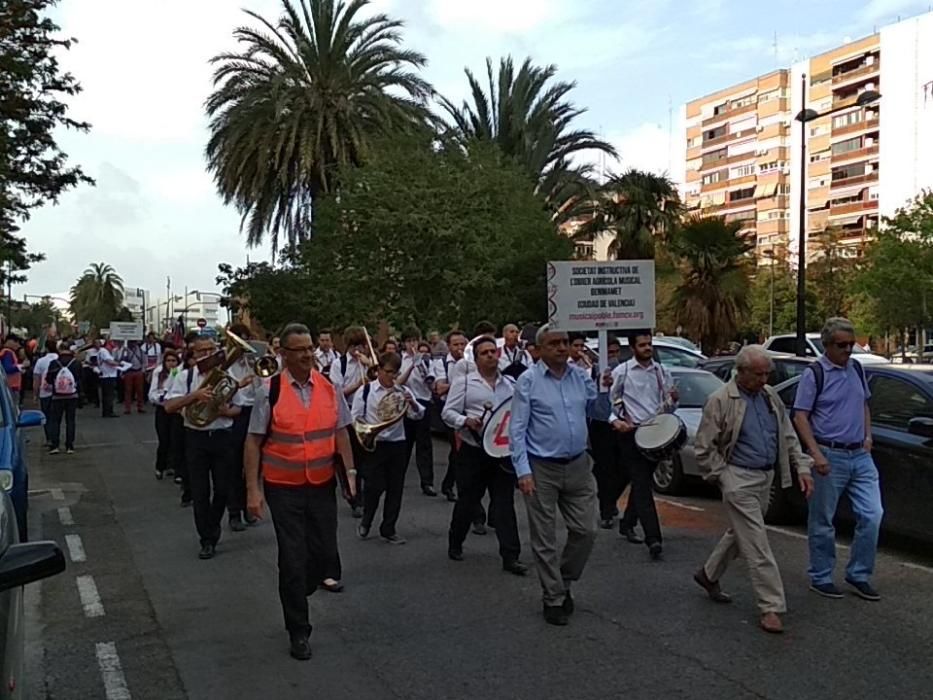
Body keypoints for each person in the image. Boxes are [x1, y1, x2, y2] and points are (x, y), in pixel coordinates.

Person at [244, 323, 357, 661]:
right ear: (284, 354)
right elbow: (253, 441)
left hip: (322, 485)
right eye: (300, 349)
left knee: (324, 557)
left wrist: (350, 473)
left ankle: (303, 584)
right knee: (292, 560)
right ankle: (299, 630)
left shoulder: (328, 387)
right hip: (284, 488)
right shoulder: (270, 390)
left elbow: (341, 433)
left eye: (310, 348)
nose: (308, 354)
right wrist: (253, 489)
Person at [693, 345, 814, 634]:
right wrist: (723, 477)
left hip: (765, 478)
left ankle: (709, 574)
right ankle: (771, 606)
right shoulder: (721, 400)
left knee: (742, 532)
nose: (764, 380)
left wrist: (802, 467)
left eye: (767, 374)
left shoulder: (770, 397)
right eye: (758, 374)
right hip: (738, 478)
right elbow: (703, 447)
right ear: (741, 371)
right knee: (757, 543)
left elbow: (787, 435)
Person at [509, 325, 598, 626]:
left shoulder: (579, 376)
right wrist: (523, 470)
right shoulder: (529, 381)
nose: (562, 348)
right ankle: (554, 599)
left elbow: (597, 408)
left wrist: (602, 381)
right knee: (544, 538)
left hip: (578, 465)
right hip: (541, 467)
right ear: (540, 349)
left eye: (565, 342)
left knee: (587, 530)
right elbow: (517, 430)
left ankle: (564, 580)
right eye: (555, 343)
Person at [793, 317, 883, 602]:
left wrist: (867, 437)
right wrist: (815, 453)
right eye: (841, 345)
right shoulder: (815, 374)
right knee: (823, 520)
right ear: (827, 345)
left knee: (872, 515)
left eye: (851, 344)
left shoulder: (856, 368)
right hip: (829, 454)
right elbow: (800, 415)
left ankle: (859, 574)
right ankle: (821, 576)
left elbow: (863, 404)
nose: (847, 350)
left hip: (860, 454)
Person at [443, 337, 527, 575]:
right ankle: (455, 540)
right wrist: (465, 420)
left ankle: (511, 556)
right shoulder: (465, 383)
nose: (491, 356)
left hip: (500, 453)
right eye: (485, 353)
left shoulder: (509, 384)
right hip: (473, 451)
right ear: (476, 358)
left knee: (504, 504)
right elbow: (447, 412)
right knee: (468, 501)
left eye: (493, 351)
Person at [164, 336, 241, 560]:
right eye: (202, 351)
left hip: (222, 436)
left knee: (223, 489)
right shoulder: (184, 375)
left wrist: (225, 411)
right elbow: (169, 406)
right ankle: (206, 539)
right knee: (199, 491)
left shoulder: (229, 376)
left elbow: (240, 408)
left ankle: (212, 526)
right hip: (195, 437)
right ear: (194, 354)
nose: (207, 354)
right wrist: (194, 396)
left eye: (211, 349)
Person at [609, 333, 678, 561]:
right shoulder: (622, 372)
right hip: (630, 434)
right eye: (642, 345)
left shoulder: (661, 371)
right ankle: (653, 538)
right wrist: (617, 422)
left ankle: (627, 522)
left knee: (642, 482)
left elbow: (669, 403)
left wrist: (673, 401)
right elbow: (610, 403)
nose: (647, 348)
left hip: (655, 433)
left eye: (649, 344)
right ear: (633, 347)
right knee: (641, 483)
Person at [351, 352, 423, 544]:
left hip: (397, 443)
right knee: (374, 487)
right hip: (376, 445)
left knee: (395, 488)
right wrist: (367, 431)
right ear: (379, 370)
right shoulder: (366, 391)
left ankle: (388, 528)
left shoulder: (402, 391)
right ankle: (367, 520)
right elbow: (355, 417)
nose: (392, 376)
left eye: (395, 372)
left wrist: (412, 404)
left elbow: (418, 416)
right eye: (389, 372)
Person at [585, 336, 637, 533]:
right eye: (609, 353)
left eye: (616, 352)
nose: (613, 356)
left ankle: (609, 500)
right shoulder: (592, 372)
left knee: (624, 468)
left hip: (621, 422)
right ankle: (606, 511)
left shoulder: (623, 372)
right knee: (605, 469)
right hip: (600, 424)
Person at [330, 325, 374, 517]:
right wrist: (357, 384)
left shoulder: (368, 362)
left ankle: (363, 495)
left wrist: (369, 363)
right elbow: (336, 393)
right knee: (349, 459)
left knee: (366, 459)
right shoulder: (339, 364)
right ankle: (353, 497)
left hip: (367, 415)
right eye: (354, 346)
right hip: (346, 416)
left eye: (361, 346)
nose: (358, 350)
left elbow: (383, 380)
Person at [226, 323, 258, 532]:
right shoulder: (226, 364)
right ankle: (234, 512)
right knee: (234, 465)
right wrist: (240, 384)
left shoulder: (252, 362)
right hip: (235, 414)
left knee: (253, 464)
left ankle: (249, 505)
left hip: (255, 412)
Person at [398, 329, 436, 496]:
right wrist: (412, 365)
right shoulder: (399, 360)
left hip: (422, 402)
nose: (412, 344)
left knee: (424, 445)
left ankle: (427, 482)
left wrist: (422, 367)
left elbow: (431, 384)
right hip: (405, 403)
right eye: (409, 341)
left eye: (414, 341)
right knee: (403, 445)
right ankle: (397, 479)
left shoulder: (427, 361)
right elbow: (398, 382)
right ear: (404, 343)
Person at [433, 330, 468, 502]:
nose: (460, 348)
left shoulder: (471, 362)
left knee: (461, 452)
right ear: (448, 346)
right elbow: (440, 388)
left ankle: (449, 483)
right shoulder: (441, 364)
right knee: (457, 450)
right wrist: (462, 382)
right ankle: (452, 485)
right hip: (449, 410)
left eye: (462, 344)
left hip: (467, 409)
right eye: (456, 344)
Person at [149, 351, 182, 480]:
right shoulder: (159, 373)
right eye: (168, 361)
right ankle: (160, 466)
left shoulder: (179, 373)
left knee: (176, 440)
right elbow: (152, 394)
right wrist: (161, 398)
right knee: (164, 440)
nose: (171, 364)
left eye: (174, 361)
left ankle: (174, 468)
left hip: (175, 410)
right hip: (162, 409)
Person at [46, 343, 81, 455]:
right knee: (70, 421)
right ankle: (69, 446)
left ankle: (55, 445)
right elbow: (81, 378)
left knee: (55, 421)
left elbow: (48, 379)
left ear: (59, 350)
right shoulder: (76, 363)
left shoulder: (54, 363)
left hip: (57, 396)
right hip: (72, 395)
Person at [32, 339, 59, 446]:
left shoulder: (41, 361)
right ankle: (56, 438)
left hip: (45, 392)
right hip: (59, 391)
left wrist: (35, 395)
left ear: (46, 348)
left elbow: (36, 380)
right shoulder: (60, 359)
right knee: (56, 417)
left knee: (46, 416)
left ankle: (49, 439)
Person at [120, 340, 147, 414]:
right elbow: (121, 360)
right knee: (128, 391)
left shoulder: (141, 350)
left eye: (134, 342)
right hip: (129, 372)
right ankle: (127, 408)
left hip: (138, 371)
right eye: (131, 342)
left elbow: (145, 360)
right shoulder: (125, 351)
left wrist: (143, 370)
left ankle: (140, 407)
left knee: (140, 391)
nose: (133, 344)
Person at [97, 340, 121, 418]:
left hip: (107, 375)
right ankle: (108, 411)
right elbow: (109, 361)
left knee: (107, 395)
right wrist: (119, 364)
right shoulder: (104, 351)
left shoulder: (102, 351)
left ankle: (107, 411)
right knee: (109, 395)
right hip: (108, 376)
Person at [0, 335, 23, 403]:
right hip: (11, 387)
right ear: (11, 341)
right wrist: (20, 367)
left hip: (9, 385)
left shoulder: (5, 352)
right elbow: (7, 368)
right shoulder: (7, 353)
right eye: (17, 343)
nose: (18, 346)